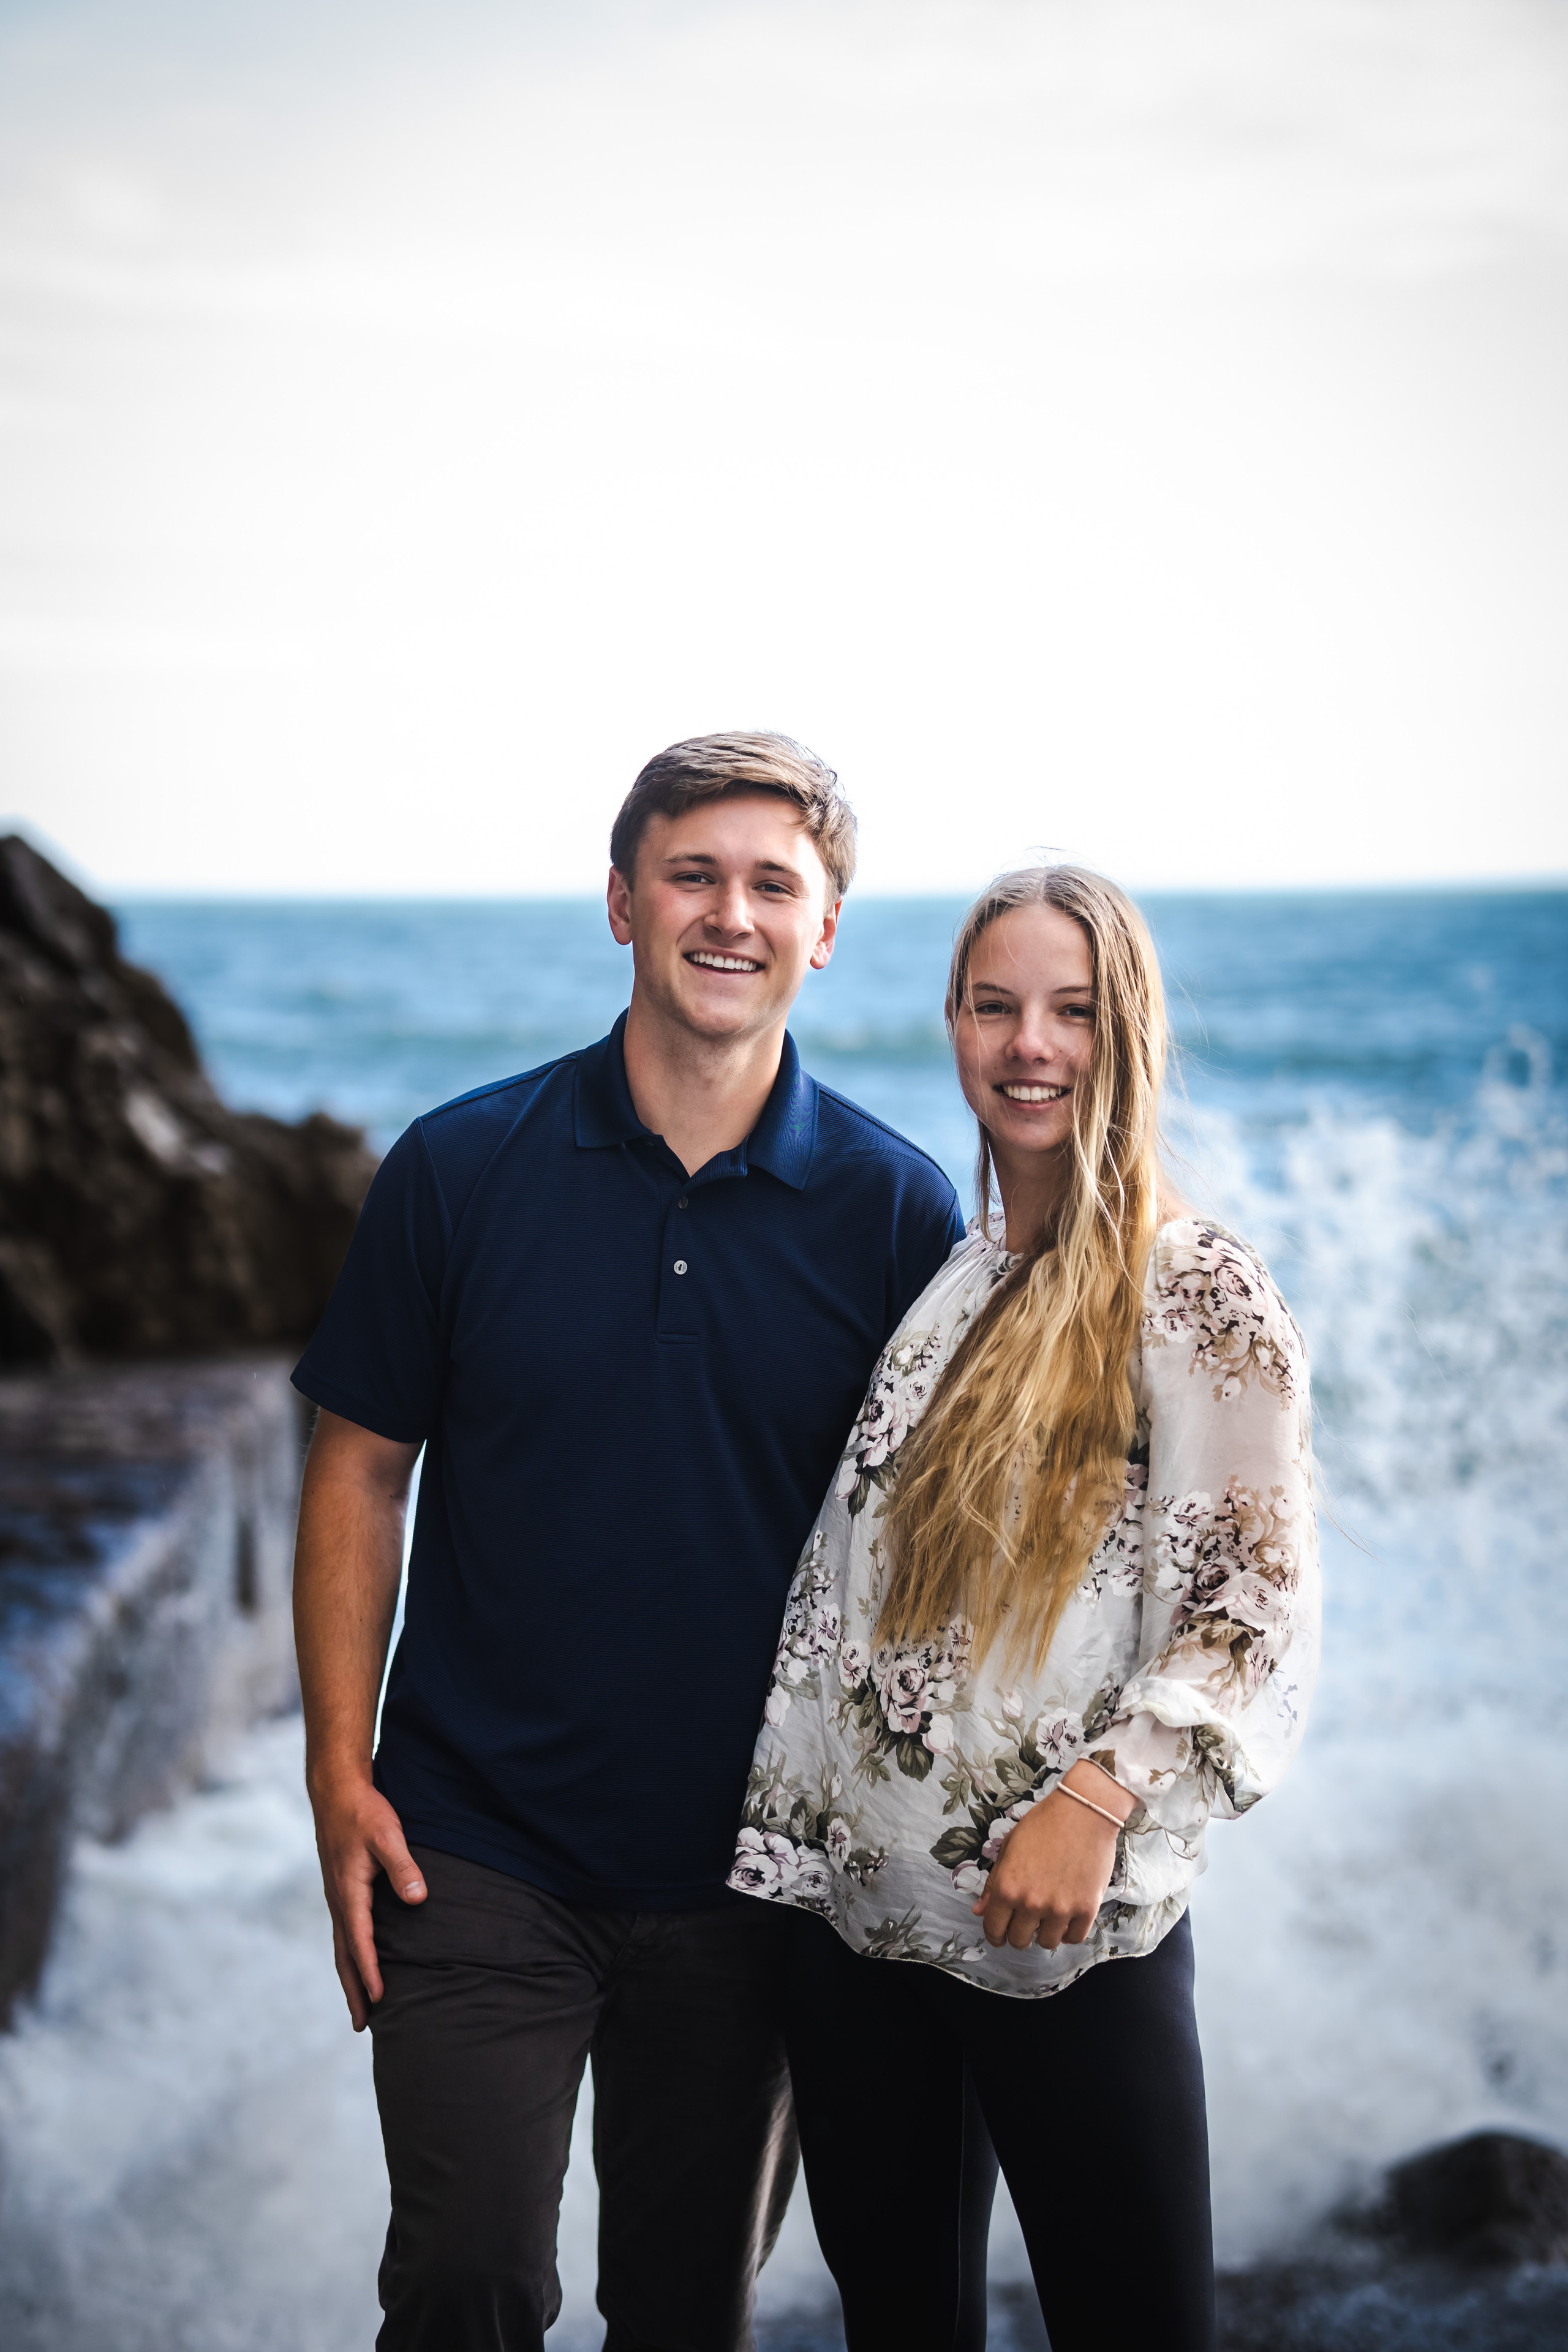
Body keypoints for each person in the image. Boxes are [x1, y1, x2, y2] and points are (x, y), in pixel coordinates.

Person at [289, 733, 965, 2352]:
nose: (729, 915)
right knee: (466, 2286)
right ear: (620, 901)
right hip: (474, 1845)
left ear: (824, 930)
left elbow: (942, 1560)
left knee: (682, 2320)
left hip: (755, 1881)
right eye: (692, 874)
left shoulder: (895, 1213)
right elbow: (359, 1470)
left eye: (772, 885)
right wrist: (336, 1775)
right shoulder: (460, 1167)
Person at [729, 864, 1321, 2352]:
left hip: (1057, 1937)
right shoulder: (955, 1278)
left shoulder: (1195, 1292)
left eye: (1068, 1011)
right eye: (993, 1008)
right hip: (862, 1941)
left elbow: (1246, 1609)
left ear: (1123, 1031)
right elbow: (848, 1604)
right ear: (953, 1024)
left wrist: (1101, 1798)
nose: (1027, 1045)